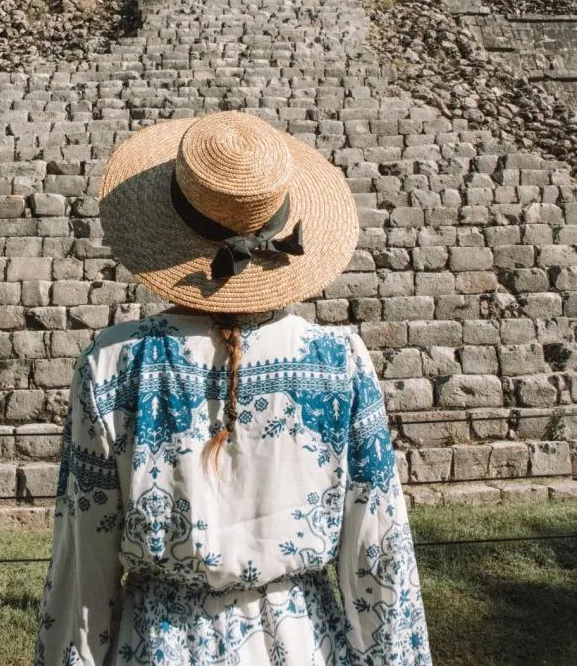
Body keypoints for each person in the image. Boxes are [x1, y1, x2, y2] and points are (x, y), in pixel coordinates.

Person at [33, 111, 432, 665]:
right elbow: (379, 554)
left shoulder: (116, 364)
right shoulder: (341, 363)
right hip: (304, 643)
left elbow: (85, 560)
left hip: (162, 645)